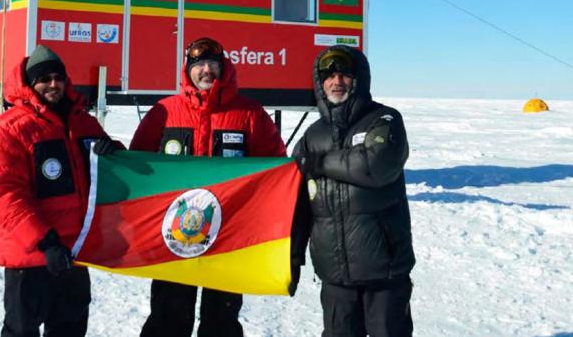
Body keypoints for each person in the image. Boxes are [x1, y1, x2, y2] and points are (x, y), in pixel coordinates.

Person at [126, 37, 287, 337]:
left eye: (212, 64)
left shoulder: (249, 114)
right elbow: (139, 166)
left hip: (228, 238)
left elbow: (275, 169)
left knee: (221, 321)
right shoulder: (163, 112)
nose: (205, 71)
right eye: (198, 65)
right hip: (173, 236)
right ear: (187, 71)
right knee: (167, 318)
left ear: (223, 67)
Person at [0, 45, 124, 337]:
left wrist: (116, 152)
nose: (53, 84)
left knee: (69, 329)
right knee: (22, 331)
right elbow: (3, 195)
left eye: (58, 78)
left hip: (74, 253)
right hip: (31, 255)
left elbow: (108, 174)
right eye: (44, 79)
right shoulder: (7, 130)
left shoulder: (84, 123)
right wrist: (45, 242)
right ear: (30, 84)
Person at [293, 45, 416, 337]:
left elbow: (375, 164)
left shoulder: (384, 119)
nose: (337, 82)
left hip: (383, 271)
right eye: (329, 76)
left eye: (345, 75)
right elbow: (297, 202)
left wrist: (319, 162)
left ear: (359, 79)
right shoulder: (312, 135)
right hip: (335, 275)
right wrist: (294, 255)